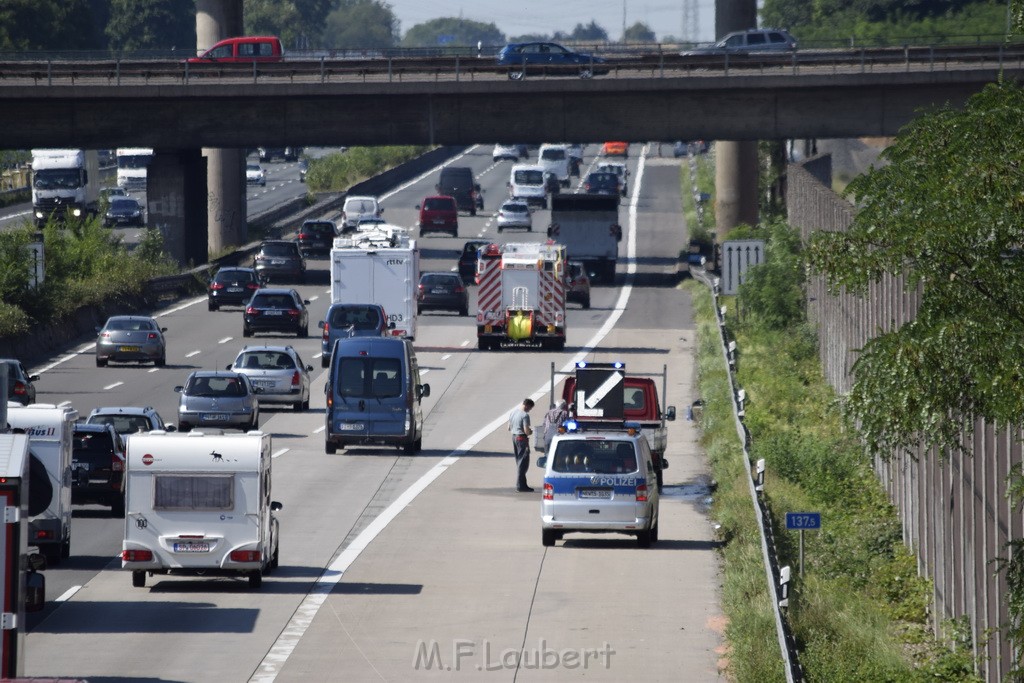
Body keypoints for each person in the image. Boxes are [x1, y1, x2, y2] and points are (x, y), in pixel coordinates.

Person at [508, 398, 535, 492]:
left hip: (514, 437)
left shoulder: (513, 412)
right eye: (530, 408)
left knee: (519, 460)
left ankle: (523, 483)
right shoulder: (525, 415)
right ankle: (520, 485)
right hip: (521, 438)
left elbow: (508, 427)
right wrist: (530, 432)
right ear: (527, 405)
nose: (529, 410)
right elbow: (526, 431)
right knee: (523, 462)